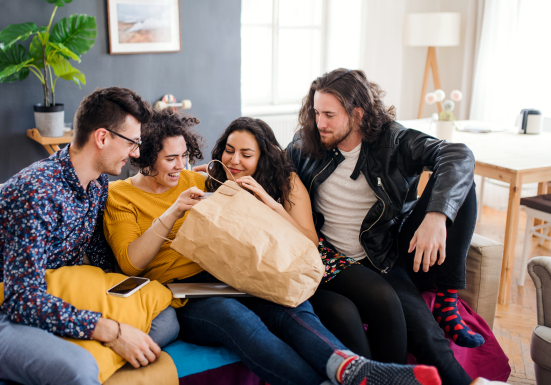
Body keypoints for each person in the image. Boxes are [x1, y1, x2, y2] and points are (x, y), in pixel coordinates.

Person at [104, 108, 442, 385]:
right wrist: (173, 209)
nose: (182, 166)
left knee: (291, 309)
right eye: (171, 159)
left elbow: (232, 187)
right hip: (183, 295)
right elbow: (131, 264)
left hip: (227, 276)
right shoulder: (121, 196)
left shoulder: (194, 177)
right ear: (144, 157)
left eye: (184, 156)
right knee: (237, 319)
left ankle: (353, 367)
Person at [0, 87, 179, 385]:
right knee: (79, 370)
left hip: (60, 298)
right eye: (132, 142)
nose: (136, 152)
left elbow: (101, 260)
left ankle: (74, 358)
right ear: (102, 138)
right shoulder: (35, 191)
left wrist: (126, 295)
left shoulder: (97, 186)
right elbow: (23, 298)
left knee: (166, 317)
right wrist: (111, 331)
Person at [286, 68, 482, 385]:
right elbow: (268, 171)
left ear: (358, 114)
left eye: (329, 115)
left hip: (386, 257)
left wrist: (436, 217)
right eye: (316, 112)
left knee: (462, 181)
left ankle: (448, 298)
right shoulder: (304, 145)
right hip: (335, 263)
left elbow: (458, 154)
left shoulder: (394, 140)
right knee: (423, 337)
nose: (319, 123)